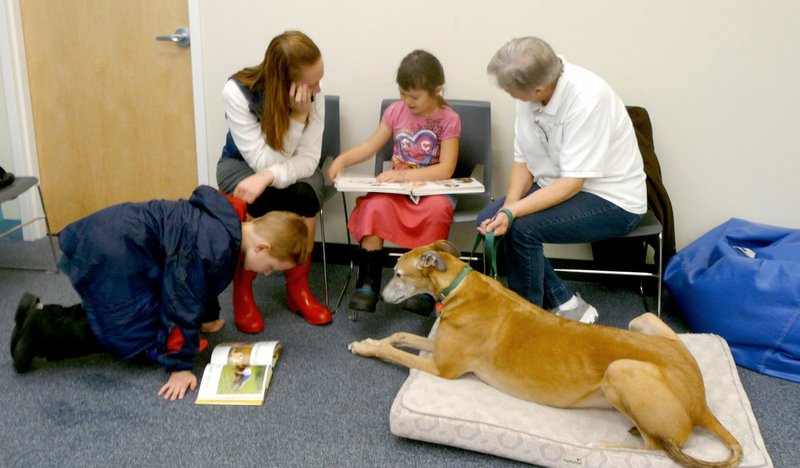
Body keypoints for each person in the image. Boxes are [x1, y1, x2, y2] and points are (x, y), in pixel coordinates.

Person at [10, 185, 308, 401]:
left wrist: (205, 316)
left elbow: (196, 278)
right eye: (270, 267)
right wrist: (179, 366)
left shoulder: (227, 225)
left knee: (121, 310)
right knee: (128, 330)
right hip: (117, 250)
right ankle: (41, 330)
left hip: (121, 239)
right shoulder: (214, 247)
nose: (266, 273)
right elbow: (182, 298)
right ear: (261, 247)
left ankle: (40, 314)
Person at [477, 36, 647, 323]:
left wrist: (513, 213)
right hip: (556, 185)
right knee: (490, 220)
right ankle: (564, 301)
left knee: (522, 230)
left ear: (538, 88)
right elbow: (523, 161)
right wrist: (508, 207)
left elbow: (572, 184)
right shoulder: (531, 93)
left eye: (511, 91)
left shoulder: (588, 98)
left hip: (613, 198)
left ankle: (525, 322)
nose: (509, 95)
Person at [327, 50, 461, 315]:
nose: (406, 101)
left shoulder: (449, 119)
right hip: (397, 191)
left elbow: (446, 168)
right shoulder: (395, 112)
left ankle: (425, 286)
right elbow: (371, 145)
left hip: (431, 191)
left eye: (414, 96)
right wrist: (343, 160)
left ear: (437, 90)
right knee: (374, 207)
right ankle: (368, 282)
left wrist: (404, 174)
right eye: (403, 94)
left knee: (436, 212)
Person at [216, 30, 331, 333]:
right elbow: (260, 161)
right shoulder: (237, 92)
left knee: (305, 195)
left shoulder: (315, 96)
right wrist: (296, 119)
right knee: (260, 197)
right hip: (240, 165)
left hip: (288, 170)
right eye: (312, 82)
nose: (319, 88)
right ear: (285, 80)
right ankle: (243, 288)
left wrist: (268, 176)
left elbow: (308, 161)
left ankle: (298, 286)